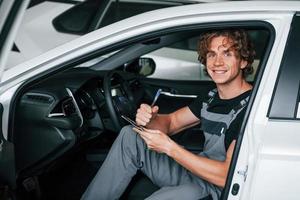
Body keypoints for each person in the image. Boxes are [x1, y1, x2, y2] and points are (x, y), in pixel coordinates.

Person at [81, 29, 255, 200]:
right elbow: (171, 123)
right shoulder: (210, 97)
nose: (217, 62)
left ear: (243, 62)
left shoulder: (251, 108)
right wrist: (151, 120)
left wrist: (170, 148)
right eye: (211, 54)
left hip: (216, 188)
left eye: (227, 54)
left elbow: (227, 177)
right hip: (195, 171)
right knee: (130, 135)